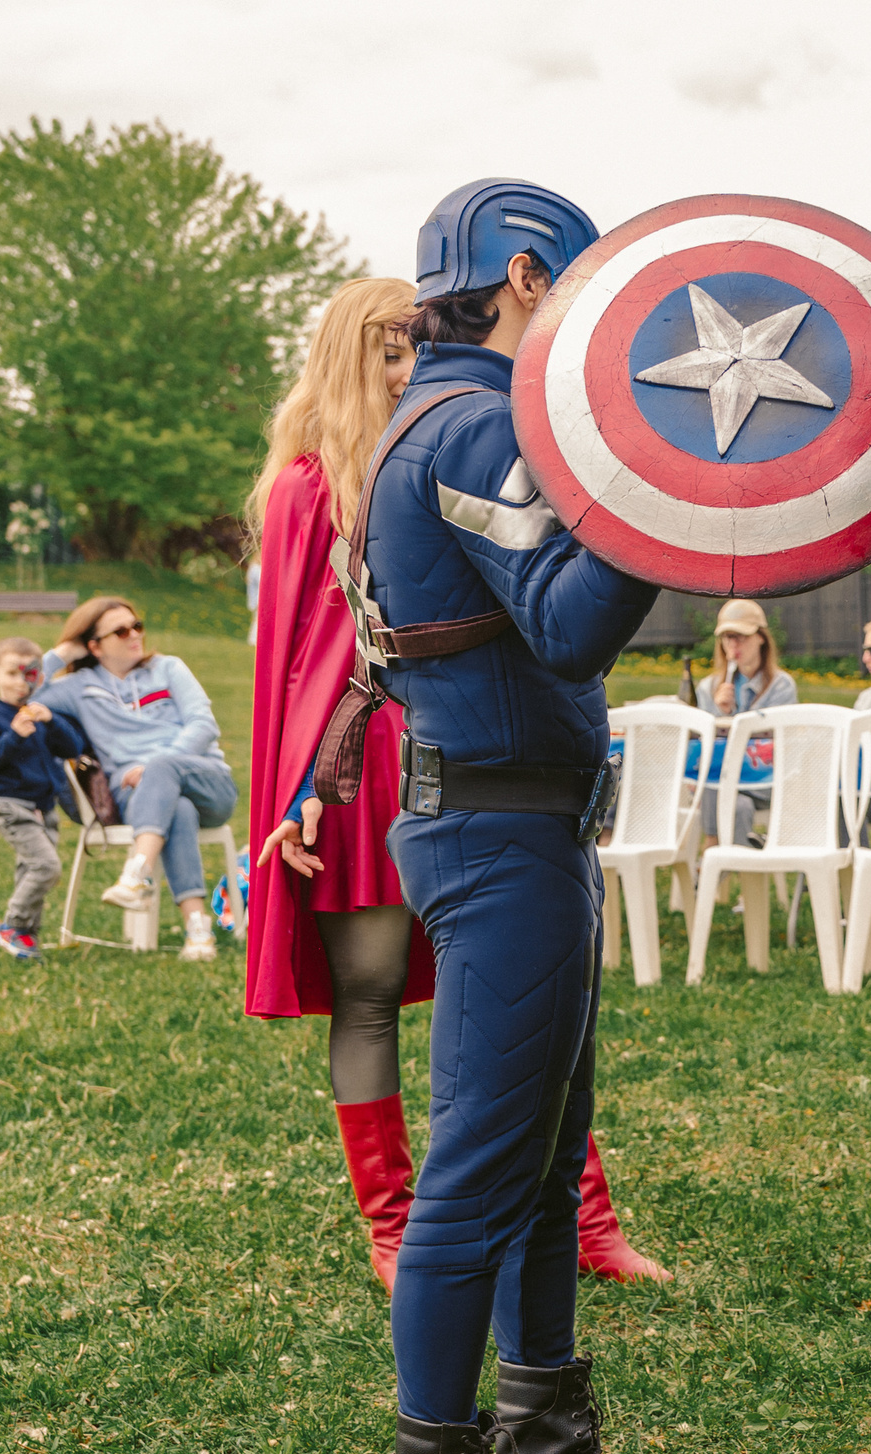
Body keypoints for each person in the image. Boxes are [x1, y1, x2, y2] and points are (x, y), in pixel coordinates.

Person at [267, 178, 718, 1454]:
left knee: (536, 1160)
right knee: (475, 1180)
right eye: (576, 292)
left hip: (520, 826)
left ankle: (545, 1452)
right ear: (526, 275)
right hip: (497, 833)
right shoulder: (465, 421)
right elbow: (575, 619)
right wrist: (676, 491)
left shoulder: (456, 416)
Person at [247, 276, 664, 1293]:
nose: (405, 370)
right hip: (360, 766)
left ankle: (581, 1219)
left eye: (415, 346)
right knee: (372, 991)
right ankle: (391, 1223)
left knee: (536, 992)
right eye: (387, 352)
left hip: (480, 753)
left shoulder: (466, 451)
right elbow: (300, 656)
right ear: (347, 360)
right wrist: (306, 785)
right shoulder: (310, 486)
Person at [38, 597, 237, 963]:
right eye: (120, 631)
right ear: (94, 646)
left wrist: (156, 764)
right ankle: (198, 931)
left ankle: (137, 874)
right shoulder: (81, 686)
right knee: (176, 808)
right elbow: (24, 696)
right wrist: (62, 653)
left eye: (137, 626)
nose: (134, 636)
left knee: (162, 767)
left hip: (206, 781)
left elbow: (203, 723)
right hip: (137, 796)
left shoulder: (168, 668)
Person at [0, 635, 84, 960]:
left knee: (30, 870)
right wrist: (13, 737)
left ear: (41, 677)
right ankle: (11, 924)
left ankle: (25, 936)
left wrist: (53, 720)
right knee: (46, 867)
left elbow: (73, 748)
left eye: (29, 674)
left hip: (44, 808)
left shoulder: (41, 717)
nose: (21, 682)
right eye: (12, 673)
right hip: (11, 806)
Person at [695, 599, 799, 849]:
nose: (733, 644)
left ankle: (709, 853)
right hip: (727, 784)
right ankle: (738, 873)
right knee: (737, 804)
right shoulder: (709, 687)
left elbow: (776, 739)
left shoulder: (780, 686)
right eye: (727, 637)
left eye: (741, 636)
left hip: (764, 779)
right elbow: (701, 743)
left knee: (714, 778)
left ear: (761, 638)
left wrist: (732, 720)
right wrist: (717, 712)